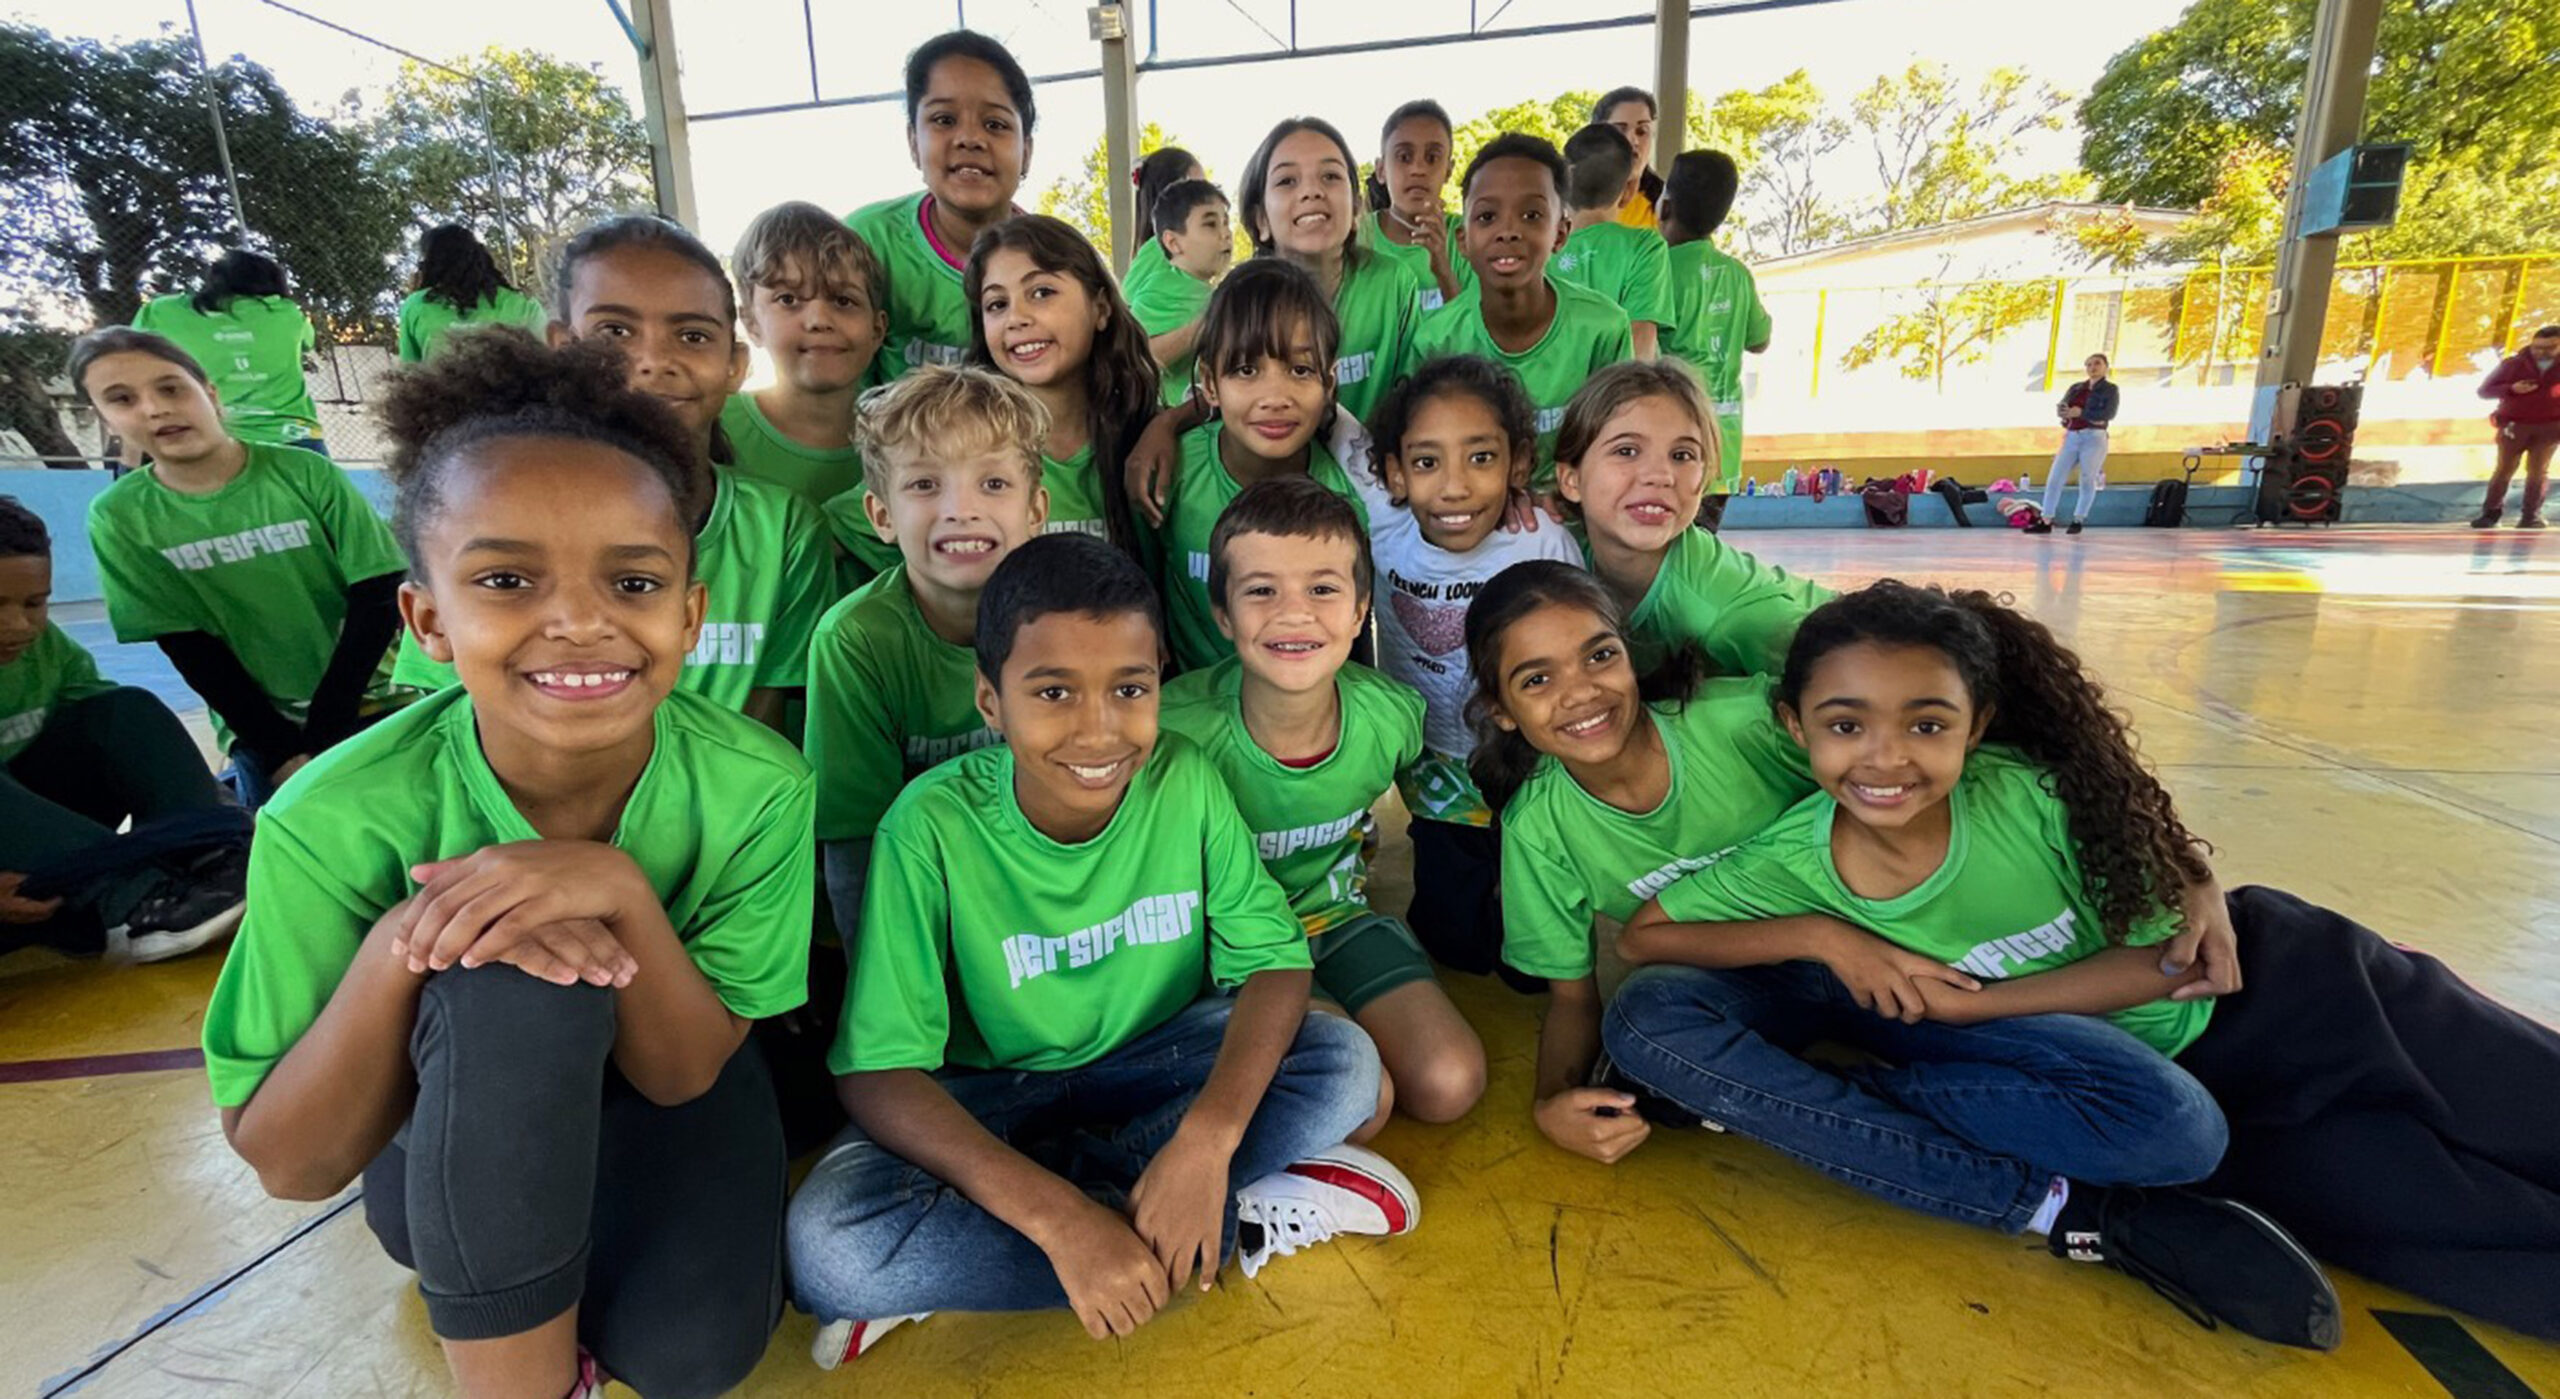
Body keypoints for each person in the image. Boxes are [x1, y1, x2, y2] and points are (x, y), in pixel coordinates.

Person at [1610, 579, 2560, 1346]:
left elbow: (2176, 966)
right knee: (2475, 1234)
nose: (1885, 756)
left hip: (2298, 993)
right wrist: (1823, 936)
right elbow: (1649, 934)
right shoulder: (1797, 859)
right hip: (2168, 1089)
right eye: (1847, 724)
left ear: (1976, 726)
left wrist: (1972, 1009)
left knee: (2532, 1104)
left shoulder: (2028, 798)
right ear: (1795, 727)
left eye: (1927, 724)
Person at [204, 331, 816, 1399]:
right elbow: (292, 1163)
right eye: (506, 578)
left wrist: (617, 890)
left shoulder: (757, 785)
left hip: (662, 1086)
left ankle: (522, 1259)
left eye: (632, 579)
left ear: (688, 613)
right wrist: (414, 941)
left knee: (690, 1357)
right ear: (428, 618)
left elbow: (679, 1071)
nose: (579, 619)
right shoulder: (332, 815)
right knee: (505, 976)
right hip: (456, 1108)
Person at [787, 534, 1416, 1367]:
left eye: (1131, 687)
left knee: (1345, 1064)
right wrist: (1059, 1217)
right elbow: (876, 1071)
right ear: (990, 700)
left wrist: (1204, 1142)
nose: (1098, 730)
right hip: (996, 1095)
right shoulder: (929, 825)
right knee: (829, 1245)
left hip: (1157, 1062)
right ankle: (1217, 1217)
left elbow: (1274, 959)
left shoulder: (1183, 777)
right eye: (1052, 691)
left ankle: (1041, 1243)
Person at [390, 217, 836, 737]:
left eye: (692, 335)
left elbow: (765, 725)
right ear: (561, 345)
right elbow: (451, 720)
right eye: (616, 332)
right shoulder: (471, 514)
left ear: (736, 364)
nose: (653, 361)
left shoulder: (782, 529)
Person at [1460, 561, 1816, 1164]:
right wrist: (1552, 1100)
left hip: (1877, 941)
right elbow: (1574, 998)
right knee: (1640, 1026)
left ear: (1630, 654)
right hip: (1732, 981)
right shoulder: (1538, 828)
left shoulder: (1743, 723)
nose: (1581, 694)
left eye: (1599, 657)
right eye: (1537, 680)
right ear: (1501, 710)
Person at [1162, 478, 1486, 1128]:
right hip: (1225, 948)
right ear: (1222, 613)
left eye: (1322, 588)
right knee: (1365, 1105)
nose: (1294, 613)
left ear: (1362, 604)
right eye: (1261, 590)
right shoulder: (1174, 730)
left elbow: (1435, 816)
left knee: (1450, 1082)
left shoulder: (1392, 718)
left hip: (1333, 919)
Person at [72, 328, 409, 807]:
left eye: (170, 388)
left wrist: (325, 733)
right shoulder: (119, 517)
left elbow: (377, 596)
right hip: (264, 727)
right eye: (122, 399)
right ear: (104, 418)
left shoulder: (306, 474)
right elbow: (188, 646)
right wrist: (283, 751)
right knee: (284, 843)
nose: (153, 408)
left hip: (376, 696)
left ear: (209, 393)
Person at [807, 366, 1050, 932]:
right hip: (915, 899)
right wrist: (872, 991)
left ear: (1035, 511)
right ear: (881, 516)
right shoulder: (855, 642)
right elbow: (856, 845)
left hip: (1043, 893)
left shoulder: (1070, 621)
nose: (960, 510)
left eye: (992, 484)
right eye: (924, 484)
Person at [1361, 357, 1580, 978]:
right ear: (1395, 473)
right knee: (1455, 941)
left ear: (1516, 464)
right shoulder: (1385, 533)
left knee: (1533, 955)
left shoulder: (1540, 540)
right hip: (1434, 760)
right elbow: (1333, 424)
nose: (1454, 487)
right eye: (1428, 462)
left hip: (1528, 759)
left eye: (1480, 458)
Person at [0, 495, 249, 963]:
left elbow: (122, 739)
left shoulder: (46, 650)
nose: (18, 625)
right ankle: (134, 903)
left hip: (50, 866)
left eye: (34, 603)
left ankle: (211, 860)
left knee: (125, 709)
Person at [1154, 259, 1371, 672]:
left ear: (1329, 384)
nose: (1275, 396)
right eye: (1246, 369)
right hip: (1190, 712)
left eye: (1300, 370)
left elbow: (1356, 633)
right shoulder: (1171, 471)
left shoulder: (1346, 501)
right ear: (1210, 383)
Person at [1553, 362, 1828, 679]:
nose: (1661, 476)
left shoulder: (1728, 616)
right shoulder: (1558, 549)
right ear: (1571, 480)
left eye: (1682, 455)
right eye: (1627, 451)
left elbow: (1853, 695)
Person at [1410, 134, 1633, 492]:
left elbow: (1619, 451)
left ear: (1560, 234)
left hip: (1575, 525)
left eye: (1531, 215)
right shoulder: (1436, 339)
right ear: (1462, 239)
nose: (1508, 231)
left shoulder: (1603, 328)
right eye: (1486, 216)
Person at [846, 30, 1039, 386]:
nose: (970, 138)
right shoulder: (866, 243)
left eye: (995, 124)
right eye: (943, 120)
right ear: (912, 142)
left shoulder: (1054, 260)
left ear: (1026, 152)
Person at [963, 214, 1157, 553]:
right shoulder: (957, 447)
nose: (1016, 318)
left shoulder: (1150, 440)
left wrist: (1173, 422)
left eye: (1041, 292)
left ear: (1101, 309)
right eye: (997, 304)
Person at [724, 202, 888, 523]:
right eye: (788, 300)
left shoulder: (905, 440)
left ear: (877, 329)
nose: (818, 320)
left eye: (843, 300)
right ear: (751, 323)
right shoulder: (712, 429)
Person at [1657, 151, 1771, 507]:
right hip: (1724, 450)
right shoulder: (1737, 275)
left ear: (1664, 208)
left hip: (1671, 446)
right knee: (1702, 551)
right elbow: (1760, 340)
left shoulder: (1656, 271)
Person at [131, 249, 327, 453]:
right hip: (291, 435)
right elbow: (308, 342)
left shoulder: (162, 311)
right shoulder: (287, 313)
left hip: (205, 435)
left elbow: (130, 348)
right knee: (320, 482)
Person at [1554, 125, 1674, 361]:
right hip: (1614, 395)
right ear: (1629, 189)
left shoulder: (1542, 248)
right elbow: (1642, 344)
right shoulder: (1645, 246)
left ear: (1561, 187)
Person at [1123, 178, 1233, 408]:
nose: (1226, 234)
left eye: (1226, 223)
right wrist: (1205, 326)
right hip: (1173, 420)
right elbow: (1138, 358)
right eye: (1211, 224)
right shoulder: (1160, 288)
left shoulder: (1215, 291)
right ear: (1173, 242)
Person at [1358, 99, 1468, 313]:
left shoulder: (1467, 238)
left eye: (1432, 157)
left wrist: (1442, 269)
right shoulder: (1357, 238)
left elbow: (1473, 334)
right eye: (1404, 157)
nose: (1418, 169)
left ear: (1448, 170)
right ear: (1381, 170)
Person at [394, 224, 548, 364]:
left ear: (432, 263)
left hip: (442, 394)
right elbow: (548, 363)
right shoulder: (524, 304)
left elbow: (408, 372)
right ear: (480, 257)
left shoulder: (416, 305)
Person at [2471, 322, 2560, 530]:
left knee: (2538, 472)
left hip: (2550, 428)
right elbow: (2484, 391)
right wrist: (2511, 389)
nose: (2541, 352)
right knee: (2504, 469)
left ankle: (2530, 516)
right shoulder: (2513, 364)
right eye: (2537, 347)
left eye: (2550, 348)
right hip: (2514, 425)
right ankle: (2490, 513)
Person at [2033, 353, 2117, 535]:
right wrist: (2064, 413)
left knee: (2087, 477)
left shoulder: (2110, 389)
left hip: (2094, 436)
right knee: (2055, 476)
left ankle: (2078, 518)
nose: (2092, 368)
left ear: (2105, 367)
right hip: (2072, 435)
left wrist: (2082, 413)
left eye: (2097, 364)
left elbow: (2109, 413)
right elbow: (2065, 405)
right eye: (2089, 364)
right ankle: (2046, 518)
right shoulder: (2077, 388)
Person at [1592, 87, 1666, 231]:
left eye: (1642, 131)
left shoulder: (1664, 205)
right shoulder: (1569, 197)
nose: (1633, 141)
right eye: (1620, 130)